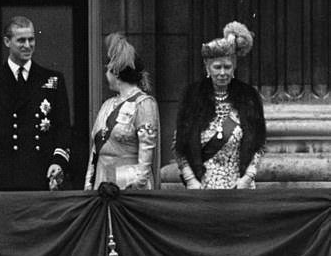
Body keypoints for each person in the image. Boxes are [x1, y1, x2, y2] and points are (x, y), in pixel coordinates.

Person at [0, 16, 71, 191]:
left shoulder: (52, 79)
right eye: (21, 40)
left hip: (42, 172)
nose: (27, 45)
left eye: (31, 39)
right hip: (3, 173)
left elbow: (62, 127)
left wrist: (58, 161)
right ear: (7, 41)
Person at [174, 21, 266, 189]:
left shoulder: (248, 98)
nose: (222, 73)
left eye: (227, 67)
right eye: (217, 67)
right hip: (202, 187)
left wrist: (248, 177)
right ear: (207, 68)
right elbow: (179, 144)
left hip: (240, 186)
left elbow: (259, 143)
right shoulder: (193, 97)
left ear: (234, 68)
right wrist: (190, 180)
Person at [84, 33, 160, 190]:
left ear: (115, 72)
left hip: (128, 184)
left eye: (107, 70)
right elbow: (95, 150)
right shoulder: (107, 105)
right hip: (102, 180)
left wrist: (136, 186)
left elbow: (146, 152)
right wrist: (88, 183)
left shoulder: (143, 104)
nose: (106, 75)